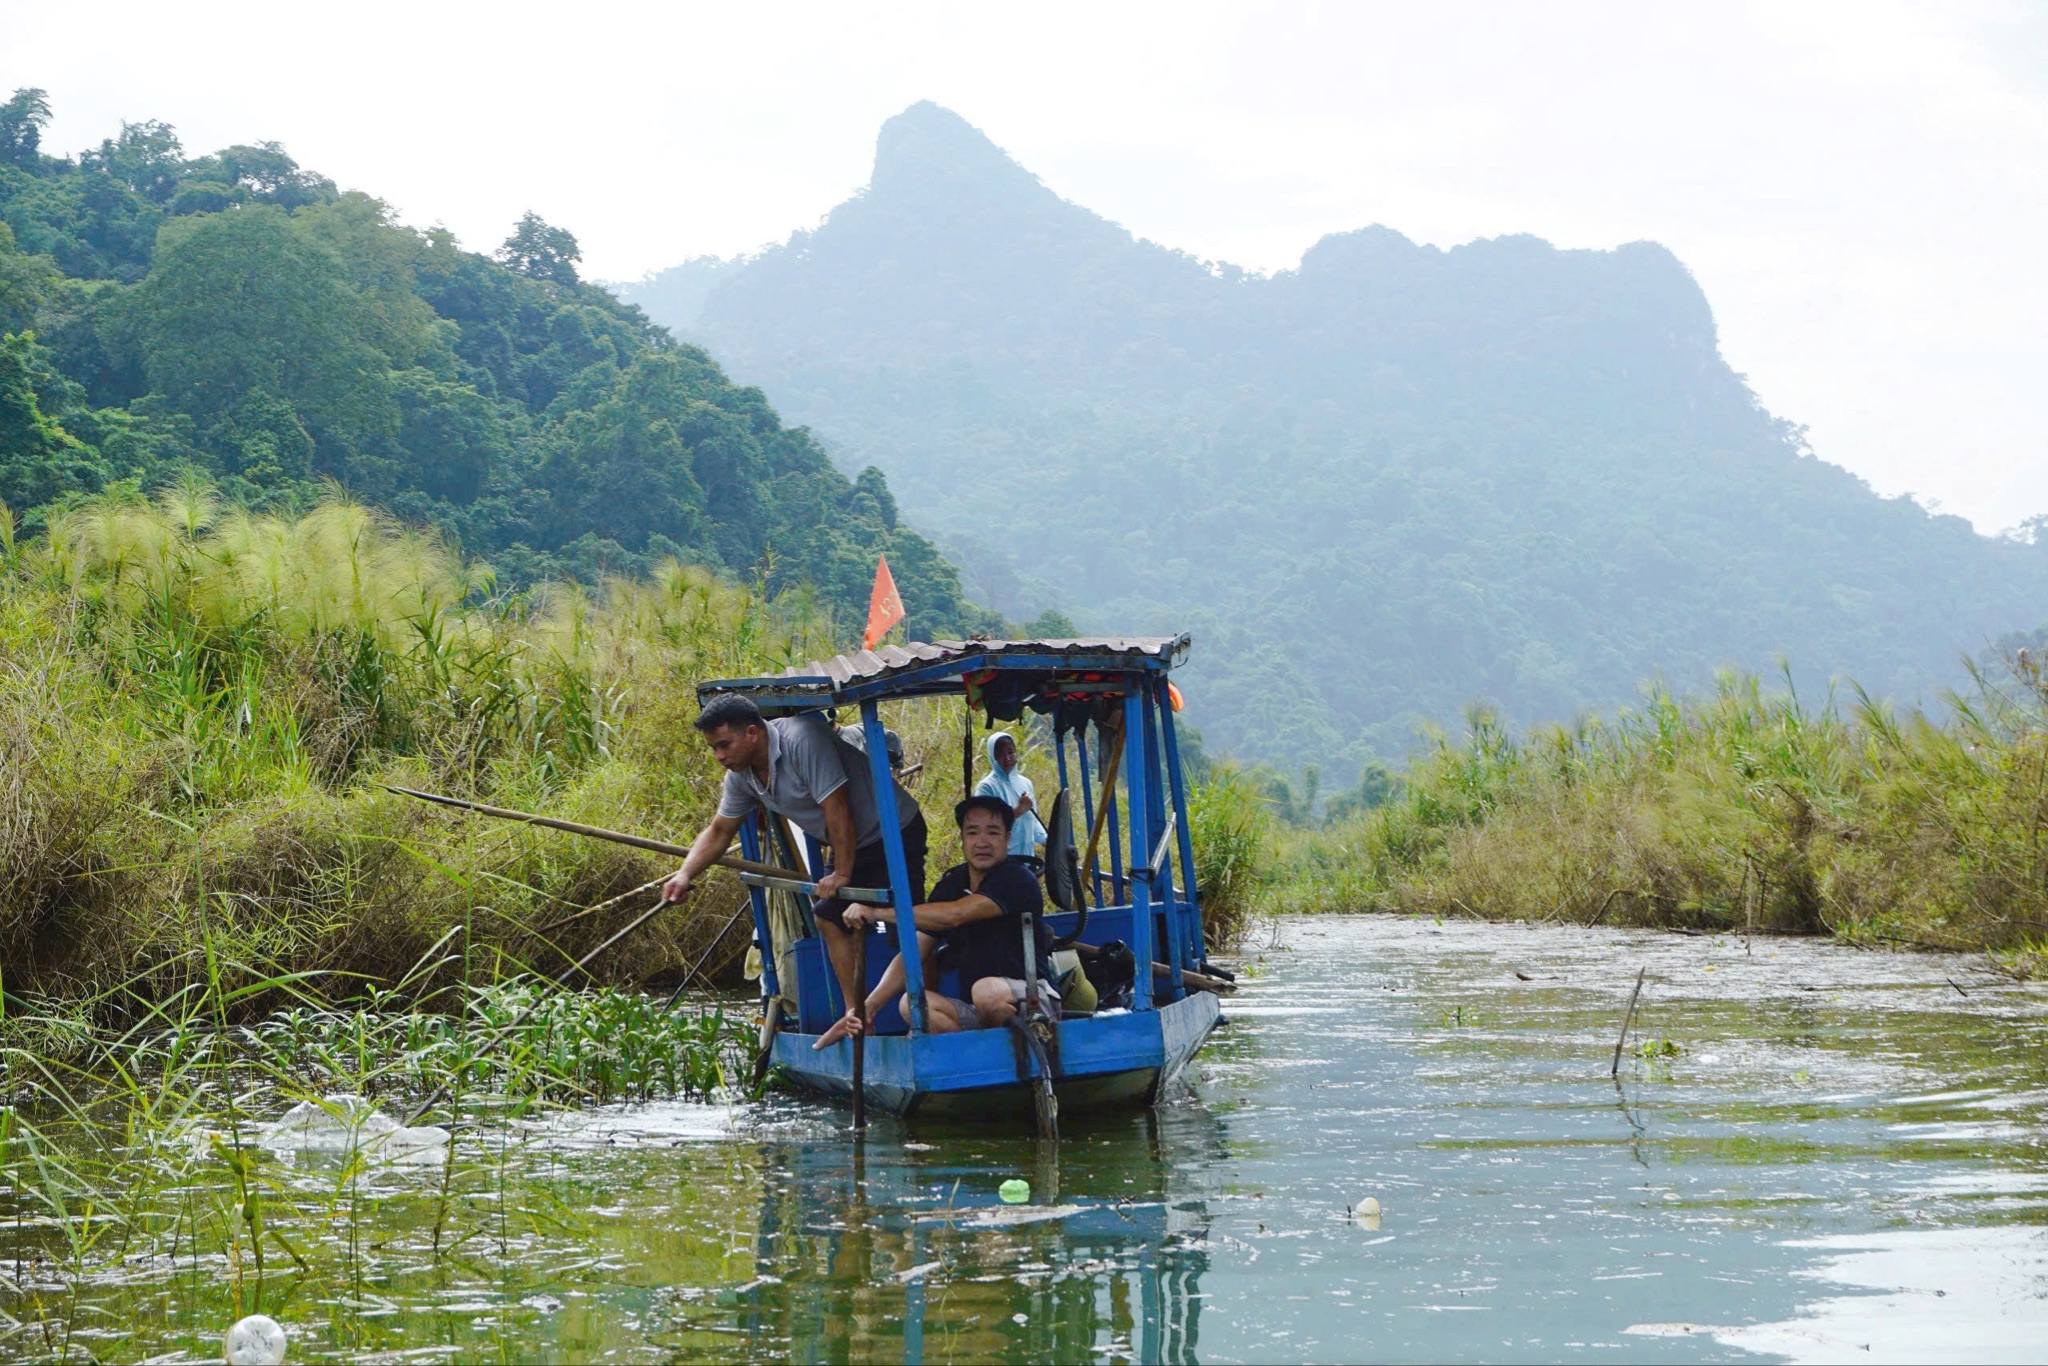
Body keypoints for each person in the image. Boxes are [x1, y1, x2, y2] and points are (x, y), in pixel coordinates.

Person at [662, 694, 925, 1026]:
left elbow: (837, 808)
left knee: (910, 923)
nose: (719, 756)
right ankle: (855, 1015)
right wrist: (685, 874)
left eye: (724, 745)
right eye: (714, 747)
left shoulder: (802, 739)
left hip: (894, 828)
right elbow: (719, 831)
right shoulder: (741, 776)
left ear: (753, 733)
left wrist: (842, 873)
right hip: (849, 839)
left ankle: (923, 1011)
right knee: (828, 917)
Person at [815, 795, 1056, 1044]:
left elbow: (956, 914)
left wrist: (877, 913)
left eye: (993, 833)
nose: (982, 842)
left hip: (1033, 1000)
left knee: (986, 991)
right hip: (980, 1009)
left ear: (1007, 838)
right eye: (973, 833)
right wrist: (867, 1008)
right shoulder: (952, 883)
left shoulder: (1017, 879)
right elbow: (913, 952)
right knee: (912, 1004)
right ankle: (979, 1058)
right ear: (962, 839)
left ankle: (1009, 1051)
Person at [974, 731, 1048, 866]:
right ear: (993, 757)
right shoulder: (987, 787)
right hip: (999, 864)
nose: (1007, 758)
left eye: (1010, 752)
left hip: (1027, 861)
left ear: (1016, 754)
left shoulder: (1025, 783)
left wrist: (1047, 842)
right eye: (1000, 754)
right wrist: (1019, 810)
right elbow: (986, 826)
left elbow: (1033, 821)